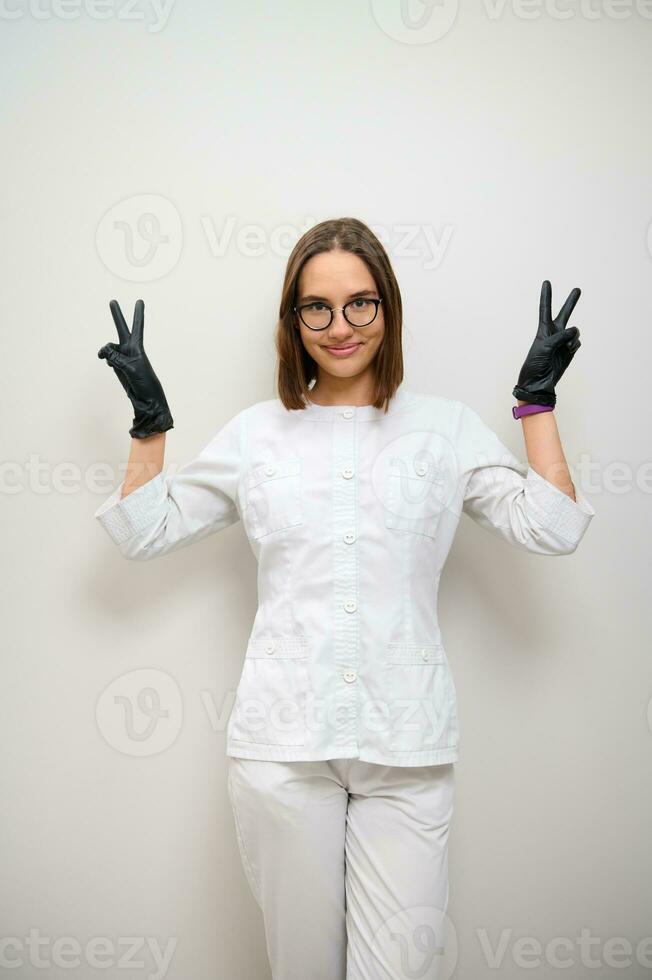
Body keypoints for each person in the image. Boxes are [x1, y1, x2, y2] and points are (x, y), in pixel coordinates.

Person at [94, 217, 596, 979]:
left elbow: (551, 527)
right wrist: (148, 426)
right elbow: (144, 530)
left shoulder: (444, 430)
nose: (340, 326)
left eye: (360, 303)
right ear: (293, 322)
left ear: (388, 309)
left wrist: (536, 403)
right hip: (283, 750)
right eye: (317, 308)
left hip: (408, 750)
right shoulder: (257, 435)